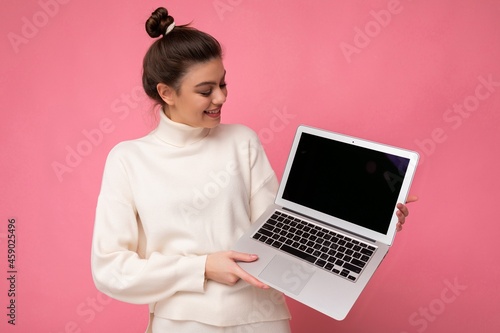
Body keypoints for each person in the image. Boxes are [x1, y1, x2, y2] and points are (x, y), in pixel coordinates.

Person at [91, 7, 417, 333]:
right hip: (182, 322)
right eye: (205, 91)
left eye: (223, 83)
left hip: (262, 318)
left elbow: (280, 229)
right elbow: (110, 269)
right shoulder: (128, 160)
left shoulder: (242, 140)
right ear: (166, 93)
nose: (221, 97)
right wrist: (202, 267)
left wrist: (367, 221)